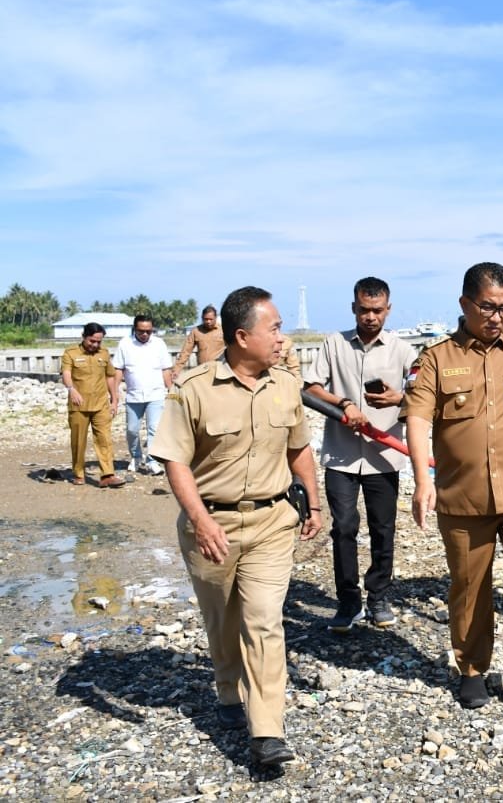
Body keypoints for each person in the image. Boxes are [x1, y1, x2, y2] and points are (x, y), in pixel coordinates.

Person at [150, 286, 323, 768]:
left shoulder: (285, 384)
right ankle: (228, 688)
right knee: (223, 621)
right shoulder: (194, 388)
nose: (282, 338)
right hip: (212, 525)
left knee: (264, 620)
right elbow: (175, 460)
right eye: (275, 329)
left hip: (271, 522)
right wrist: (201, 520)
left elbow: (299, 449)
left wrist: (313, 503)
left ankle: (267, 731)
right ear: (243, 336)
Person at [403, 262, 503, 709]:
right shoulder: (436, 359)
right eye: (489, 307)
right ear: (465, 303)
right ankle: (472, 668)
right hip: (463, 493)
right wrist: (422, 480)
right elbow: (417, 419)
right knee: (470, 585)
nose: (497, 317)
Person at [304, 277, 417, 631]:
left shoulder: (403, 351)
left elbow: (425, 395)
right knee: (344, 528)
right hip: (341, 456)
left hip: (384, 456)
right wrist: (344, 404)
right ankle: (348, 601)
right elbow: (311, 388)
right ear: (354, 308)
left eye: (377, 310)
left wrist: (398, 398)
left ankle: (378, 598)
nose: (371, 317)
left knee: (383, 529)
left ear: (388, 309)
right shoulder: (334, 344)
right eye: (364, 310)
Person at [60, 322, 124, 487]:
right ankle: (78, 473)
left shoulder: (104, 353)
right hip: (79, 406)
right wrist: (71, 389)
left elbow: (110, 377)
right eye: (92, 341)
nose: (95, 345)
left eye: (98, 342)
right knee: (78, 441)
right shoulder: (70, 353)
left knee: (104, 439)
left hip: (101, 405)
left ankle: (107, 475)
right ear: (84, 337)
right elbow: (66, 374)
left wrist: (114, 400)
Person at [113, 314, 174, 475]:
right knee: (132, 430)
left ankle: (152, 461)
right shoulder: (125, 344)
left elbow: (166, 369)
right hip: (134, 396)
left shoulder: (159, 344)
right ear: (135, 329)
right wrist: (115, 392)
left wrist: (172, 390)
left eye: (149, 331)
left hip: (156, 394)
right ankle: (136, 456)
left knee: (154, 429)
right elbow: (118, 369)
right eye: (141, 331)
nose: (145, 334)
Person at [173, 305, 225, 374]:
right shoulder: (196, 331)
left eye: (211, 319)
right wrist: (177, 369)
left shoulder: (223, 331)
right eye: (206, 319)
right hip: (202, 371)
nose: (208, 321)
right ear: (202, 318)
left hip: (219, 370)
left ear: (215, 318)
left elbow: (233, 348)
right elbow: (186, 351)